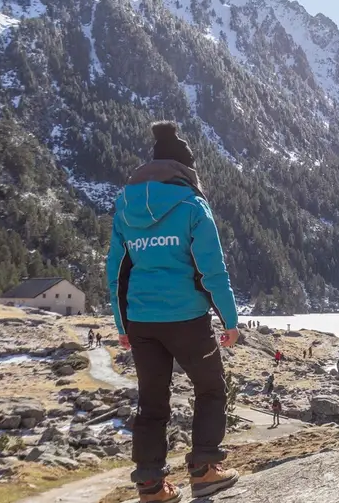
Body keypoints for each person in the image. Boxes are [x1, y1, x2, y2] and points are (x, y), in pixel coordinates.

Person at [107, 121, 240, 503]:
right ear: (186, 169)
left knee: (151, 402)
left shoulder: (125, 207)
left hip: (142, 322)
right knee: (211, 388)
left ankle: (150, 486)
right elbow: (212, 270)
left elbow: (115, 270)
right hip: (186, 319)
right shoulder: (192, 205)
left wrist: (121, 324)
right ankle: (205, 469)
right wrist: (230, 321)